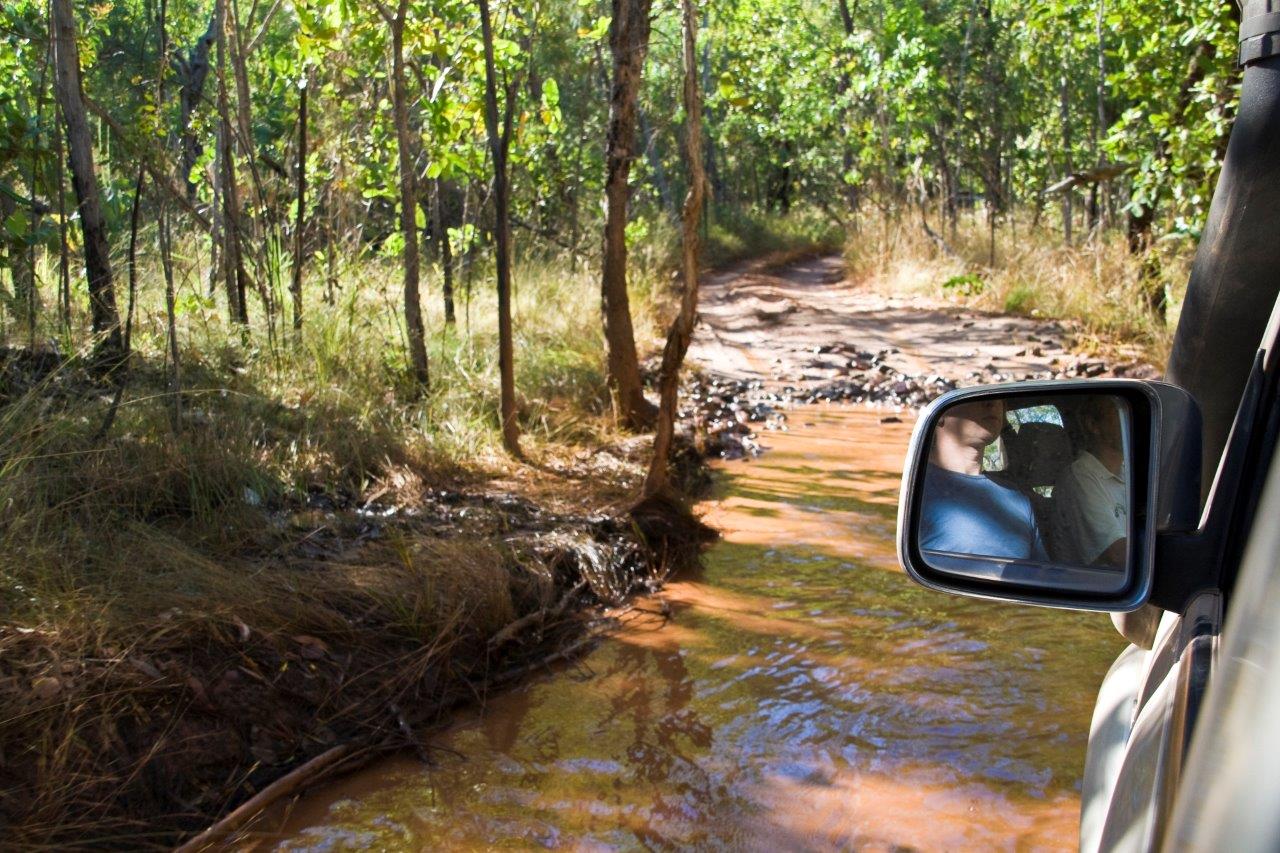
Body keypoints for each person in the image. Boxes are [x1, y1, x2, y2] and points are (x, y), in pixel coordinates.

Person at [919, 398, 1050, 561]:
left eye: (999, 398)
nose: (992, 403)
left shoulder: (1018, 497)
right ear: (939, 413)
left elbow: (1041, 575)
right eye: (977, 397)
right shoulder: (913, 489)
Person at [1053, 397, 1128, 567]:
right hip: (1091, 587)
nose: (1131, 423)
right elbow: (1117, 555)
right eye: (1120, 412)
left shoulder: (1128, 474)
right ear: (1093, 425)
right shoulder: (1079, 476)